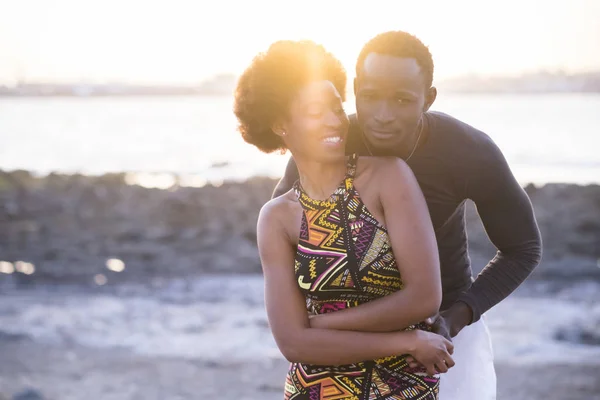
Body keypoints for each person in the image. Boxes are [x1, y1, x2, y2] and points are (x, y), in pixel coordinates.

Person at [273, 31, 543, 399]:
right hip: (345, 340)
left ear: (428, 98)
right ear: (355, 90)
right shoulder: (328, 141)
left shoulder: (467, 151)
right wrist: (317, 325)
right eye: (370, 97)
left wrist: (459, 314)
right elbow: (286, 241)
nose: (383, 116)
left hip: (443, 335)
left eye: (402, 100)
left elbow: (522, 247)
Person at [234, 40, 455, 399]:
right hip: (316, 389)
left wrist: (323, 324)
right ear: (279, 124)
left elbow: (424, 297)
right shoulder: (277, 218)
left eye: (336, 107)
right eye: (314, 111)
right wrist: (407, 340)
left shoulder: (387, 178)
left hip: (400, 386)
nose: (334, 120)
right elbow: (293, 343)